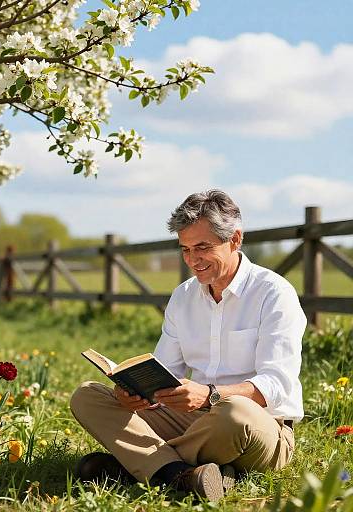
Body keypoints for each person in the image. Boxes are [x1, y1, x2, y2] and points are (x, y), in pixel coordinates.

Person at [70, 190, 307, 502]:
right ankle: (182, 475)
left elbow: (276, 385)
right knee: (88, 396)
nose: (193, 259)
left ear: (235, 240)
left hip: (259, 427)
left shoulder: (274, 293)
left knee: (234, 413)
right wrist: (132, 393)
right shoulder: (183, 297)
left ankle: (138, 467)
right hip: (193, 421)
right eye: (185, 249)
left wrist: (210, 395)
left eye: (203, 247)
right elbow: (164, 372)